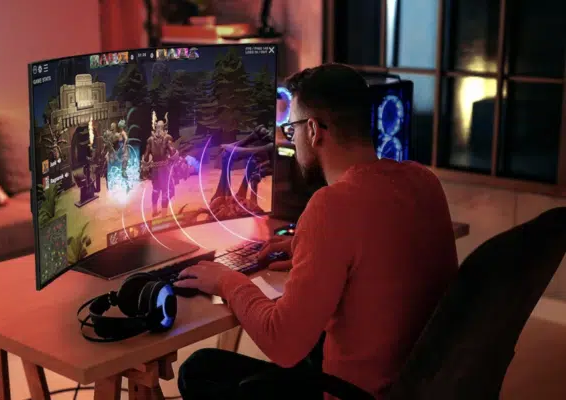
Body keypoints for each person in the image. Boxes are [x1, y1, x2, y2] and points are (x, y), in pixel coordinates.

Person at [174, 64, 459, 400]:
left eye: (291, 128)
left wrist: (227, 281)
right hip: (419, 384)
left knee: (200, 369)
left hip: (354, 394)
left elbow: (282, 343)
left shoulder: (332, 206)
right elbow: (379, 253)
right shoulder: (423, 180)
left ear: (313, 130)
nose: (291, 141)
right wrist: (307, 247)